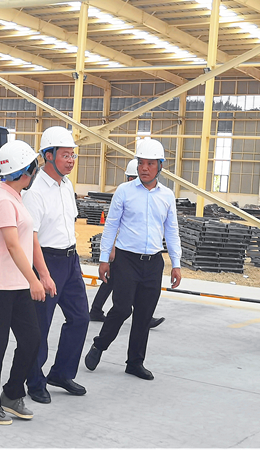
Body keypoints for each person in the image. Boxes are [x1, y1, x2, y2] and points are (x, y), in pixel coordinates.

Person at [84, 138, 181, 381]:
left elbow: (172, 230)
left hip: (153, 262)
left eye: (150, 164)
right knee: (122, 308)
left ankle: (135, 362)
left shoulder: (167, 196)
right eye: (141, 163)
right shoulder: (124, 191)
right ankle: (99, 345)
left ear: (160, 166)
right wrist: (104, 259)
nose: (144, 168)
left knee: (144, 314)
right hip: (126, 260)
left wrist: (176, 264)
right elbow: (111, 225)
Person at [0, 140, 57, 426]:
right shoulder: (2, 201)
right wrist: (34, 280)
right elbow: (12, 245)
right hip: (0, 287)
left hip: (18, 285)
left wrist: (43, 274)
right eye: (34, 167)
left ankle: (11, 393)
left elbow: (30, 240)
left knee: (32, 339)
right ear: (26, 171)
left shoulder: (17, 198)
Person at [22, 126, 89, 404]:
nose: (71, 160)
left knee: (80, 318)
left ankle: (61, 373)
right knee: (40, 325)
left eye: (72, 155)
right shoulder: (34, 191)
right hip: (46, 261)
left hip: (70, 261)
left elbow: (68, 225)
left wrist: (75, 263)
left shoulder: (67, 185)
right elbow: (32, 237)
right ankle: (34, 380)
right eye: (65, 155)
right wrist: (43, 275)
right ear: (48, 155)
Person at [89, 158, 166, 330]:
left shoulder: (151, 195)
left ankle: (98, 310)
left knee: (114, 281)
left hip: (129, 251)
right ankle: (99, 311)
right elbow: (114, 225)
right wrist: (110, 249)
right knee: (115, 282)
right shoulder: (125, 193)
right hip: (123, 251)